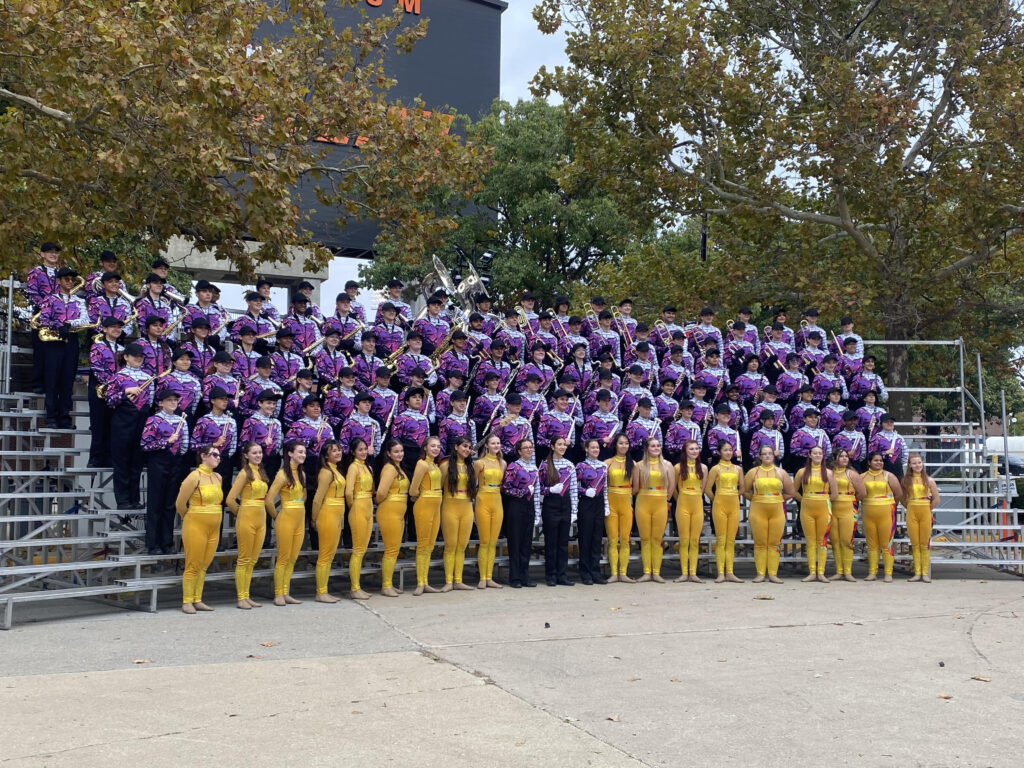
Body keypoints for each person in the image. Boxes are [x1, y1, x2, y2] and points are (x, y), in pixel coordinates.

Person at [38, 267, 91, 428]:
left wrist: (70, 324)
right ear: (59, 281)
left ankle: (64, 416)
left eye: (71, 279)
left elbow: (85, 319)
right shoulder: (50, 299)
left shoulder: (79, 300)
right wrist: (59, 325)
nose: (69, 282)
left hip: (71, 339)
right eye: (66, 279)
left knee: (68, 379)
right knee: (52, 379)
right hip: (54, 340)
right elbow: (44, 319)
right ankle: (51, 417)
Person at [174, 446, 224, 614]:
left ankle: (197, 598)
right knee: (193, 563)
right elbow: (180, 503)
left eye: (219, 455)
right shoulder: (194, 477)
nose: (218, 457)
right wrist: (190, 517)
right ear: (203, 456)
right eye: (214, 454)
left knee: (204, 564)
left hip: (214, 525)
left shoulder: (217, 477)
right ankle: (187, 600)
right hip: (196, 523)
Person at [140, 389, 190, 555]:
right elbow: (145, 444)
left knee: (170, 504)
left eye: (175, 400)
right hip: (158, 462)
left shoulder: (181, 420)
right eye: (169, 400)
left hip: (174, 462)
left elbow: (184, 445)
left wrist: (178, 453)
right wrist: (165, 442)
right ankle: (152, 544)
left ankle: (167, 543)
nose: (173, 403)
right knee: (155, 503)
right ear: (160, 403)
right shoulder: (153, 420)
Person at [106, 343, 154, 509]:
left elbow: (151, 400)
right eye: (135, 356)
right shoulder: (118, 377)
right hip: (123, 420)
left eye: (141, 357)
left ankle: (135, 499)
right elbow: (109, 400)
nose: (138, 359)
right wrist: (125, 392)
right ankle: (123, 500)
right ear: (126, 357)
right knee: (122, 461)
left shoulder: (148, 376)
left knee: (137, 461)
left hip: (142, 418)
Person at [225, 441, 269, 609]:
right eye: (254, 453)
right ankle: (241, 597)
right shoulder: (244, 473)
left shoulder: (261, 472)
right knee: (244, 559)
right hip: (247, 517)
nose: (258, 455)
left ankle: (247, 595)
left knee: (253, 559)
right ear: (246, 455)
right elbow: (229, 499)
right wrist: (241, 513)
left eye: (260, 452)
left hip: (261, 517)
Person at [743, 445, 797, 584]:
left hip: (776, 510)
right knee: (760, 543)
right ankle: (760, 573)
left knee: (774, 543)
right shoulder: (753, 472)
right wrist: (757, 499)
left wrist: (777, 499)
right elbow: (744, 491)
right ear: (760, 456)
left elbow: (791, 492)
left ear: (774, 456)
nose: (767, 456)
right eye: (764, 454)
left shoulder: (781, 473)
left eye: (770, 454)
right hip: (758, 509)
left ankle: (773, 574)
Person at [265, 440, 308, 605]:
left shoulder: (302, 474)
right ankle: (278, 594)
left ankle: (285, 591)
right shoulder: (282, 474)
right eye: (299, 452)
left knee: (292, 557)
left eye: (304, 452)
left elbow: (304, 495)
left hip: (299, 517)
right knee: (283, 557)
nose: (303, 455)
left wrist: (298, 505)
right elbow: (269, 499)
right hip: (286, 518)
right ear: (290, 453)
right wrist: (277, 516)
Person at [631, 436, 676, 583]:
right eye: (652, 446)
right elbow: (636, 487)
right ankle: (646, 572)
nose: (656, 448)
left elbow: (671, 487)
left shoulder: (667, 465)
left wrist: (664, 497)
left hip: (660, 502)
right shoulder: (639, 466)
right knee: (645, 539)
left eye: (658, 445)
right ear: (646, 449)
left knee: (657, 539)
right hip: (643, 501)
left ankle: (656, 572)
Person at [792, 446, 839, 582]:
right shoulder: (802, 472)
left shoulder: (829, 473)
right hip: (807, 507)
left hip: (824, 507)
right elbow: (794, 491)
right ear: (810, 455)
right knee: (810, 540)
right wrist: (804, 500)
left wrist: (824, 501)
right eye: (815, 453)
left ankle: (821, 572)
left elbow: (835, 494)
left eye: (820, 453)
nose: (817, 455)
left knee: (822, 541)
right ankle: (812, 571)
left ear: (823, 456)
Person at [440, 437, 479, 591]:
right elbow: (438, 487)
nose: (467, 449)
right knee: (450, 545)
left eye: (469, 447)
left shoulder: (471, 466)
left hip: (467, 507)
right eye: (464, 446)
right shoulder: (445, 465)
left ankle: (458, 580)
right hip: (450, 506)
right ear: (456, 447)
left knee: (462, 546)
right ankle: (449, 581)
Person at [538, 436, 578, 586]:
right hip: (550, 505)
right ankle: (551, 575)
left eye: (564, 445)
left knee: (563, 542)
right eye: (559, 445)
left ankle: (562, 574)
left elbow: (574, 489)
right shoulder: (545, 465)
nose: (562, 447)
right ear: (552, 446)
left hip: (565, 504)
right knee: (551, 542)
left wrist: (574, 510)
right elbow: (539, 488)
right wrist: (550, 490)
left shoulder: (569, 465)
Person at [310, 440, 346, 603]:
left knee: (330, 554)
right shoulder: (326, 472)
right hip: (327, 514)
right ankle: (321, 591)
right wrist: (314, 519)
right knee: (325, 555)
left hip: (336, 514)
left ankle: (324, 590)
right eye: (334, 451)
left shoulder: (336, 470)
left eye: (339, 450)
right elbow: (317, 499)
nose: (338, 453)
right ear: (326, 455)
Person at [860, 451, 904, 582]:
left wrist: (888, 504)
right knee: (872, 544)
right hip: (868, 512)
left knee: (886, 543)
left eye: (881, 460)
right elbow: (859, 494)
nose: (879, 462)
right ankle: (872, 572)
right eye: (875, 460)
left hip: (886, 512)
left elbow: (899, 494)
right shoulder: (862, 477)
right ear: (869, 462)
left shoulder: (889, 476)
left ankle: (888, 573)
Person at [704, 440, 744, 583]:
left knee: (731, 540)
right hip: (719, 504)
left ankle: (730, 572)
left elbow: (743, 488)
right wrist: (716, 499)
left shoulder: (738, 469)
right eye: (725, 450)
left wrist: (733, 495)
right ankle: (721, 572)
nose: (728, 452)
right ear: (719, 452)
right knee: (721, 540)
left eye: (730, 450)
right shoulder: (715, 468)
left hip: (733, 504)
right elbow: (707, 489)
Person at [409, 436, 444, 595]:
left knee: (430, 546)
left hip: (436, 505)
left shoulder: (435, 465)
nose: (436, 449)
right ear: (425, 448)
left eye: (438, 446)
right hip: (424, 504)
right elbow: (413, 489)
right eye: (432, 446)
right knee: (422, 545)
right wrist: (422, 496)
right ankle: (420, 582)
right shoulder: (422, 464)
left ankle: (426, 581)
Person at [88, 316, 125, 467]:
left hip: (115, 392)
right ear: (104, 329)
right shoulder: (97, 346)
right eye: (113, 327)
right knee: (98, 424)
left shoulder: (123, 350)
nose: (116, 330)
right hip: (100, 390)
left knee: (112, 425)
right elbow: (97, 369)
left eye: (119, 327)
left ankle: (109, 457)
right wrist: (112, 384)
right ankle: (95, 458)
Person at [26, 242, 62, 393]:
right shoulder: (35, 272)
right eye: (49, 252)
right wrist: (47, 308)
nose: (53, 254)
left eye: (56, 252)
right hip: (41, 314)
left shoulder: (62, 273)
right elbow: (33, 293)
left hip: (59, 315)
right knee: (40, 349)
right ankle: (37, 384)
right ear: (42, 254)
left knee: (55, 350)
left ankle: (52, 383)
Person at [375, 439, 410, 597]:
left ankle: (388, 582)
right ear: (388, 453)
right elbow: (381, 492)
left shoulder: (398, 468)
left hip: (398, 511)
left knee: (394, 549)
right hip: (389, 510)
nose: (400, 454)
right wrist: (386, 502)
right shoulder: (389, 468)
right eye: (396, 451)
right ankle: (386, 585)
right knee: (390, 549)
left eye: (401, 451)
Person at [473, 434, 507, 588]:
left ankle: (489, 577)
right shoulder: (479, 463)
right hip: (482, 499)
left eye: (498, 443)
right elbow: (471, 484)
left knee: (493, 542)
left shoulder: (503, 463)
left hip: (497, 500)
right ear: (486, 445)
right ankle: (482, 577)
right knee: (484, 541)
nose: (496, 446)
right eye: (493, 443)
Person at [673, 439, 708, 583]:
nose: (694, 451)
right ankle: (684, 573)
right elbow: (673, 488)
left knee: (695, 540)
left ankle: (693, 573)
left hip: (697, 505)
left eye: (696, 448)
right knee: (684, 540)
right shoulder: (677, 468)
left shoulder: (704, 468)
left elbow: (703, 488)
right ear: (685, 451)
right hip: (683, 504)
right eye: (691, 449)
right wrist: (681, 497)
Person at [575, 439, 609, 585]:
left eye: (597, 447)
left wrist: (606, 505)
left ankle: (595, 571)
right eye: (592, 447)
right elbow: (574, 486)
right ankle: (585, 572)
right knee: (585, 538)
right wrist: (584, 490)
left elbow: (605, 487)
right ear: (586, 449)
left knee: (596, 539)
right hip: (586, 502)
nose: (596, 450)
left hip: (599, 502)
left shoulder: (603, 466)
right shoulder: (581, 466)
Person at [901, 453, 939, 583]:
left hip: (925, 512)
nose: (917, 465)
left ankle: (925, 573)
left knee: (924, 543)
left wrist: (927, 508)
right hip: (912, 511)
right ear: (910, 465)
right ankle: (917, 573)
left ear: (922, 464)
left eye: (919, 463)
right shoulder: (906, 480)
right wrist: (910, 506)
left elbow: (937, 499)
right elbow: (902, 498)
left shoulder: (929, 480)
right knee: (915, 544)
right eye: (914, 463)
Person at [344, 438, 375, 599]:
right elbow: (348, 492)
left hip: (368, 507)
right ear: (353, 452)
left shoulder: (367, 467)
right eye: (360, 449)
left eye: (365, 449)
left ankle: (358, 586)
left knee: (362, 550)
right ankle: (354, 588)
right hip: (358, 507)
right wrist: (353, 506)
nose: (363, 452)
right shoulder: (353, 467)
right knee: (357, 550)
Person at [828, 448, 865, 582]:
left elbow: (861, 493)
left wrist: (852, 501)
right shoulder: (829, 473)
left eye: (846, 456)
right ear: (835, 458)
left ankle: (848, 571)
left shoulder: (852, 474)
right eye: (841, 456)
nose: (844, 458)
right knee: (835, 541)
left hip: (848, 507)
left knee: (846, 540)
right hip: (832, 508)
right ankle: (839, 571)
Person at [604, 433, 636, 583]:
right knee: (612, 539)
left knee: (625, 539)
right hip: (611, 502)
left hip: (626, 502)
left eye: (626, 443)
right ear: (615, 445)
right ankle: (613, 573)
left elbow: (636, 486)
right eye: (621, 443)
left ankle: (623, 573)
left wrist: (627, 494)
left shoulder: (633, 464)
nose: (624, 446)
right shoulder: (607, 463)